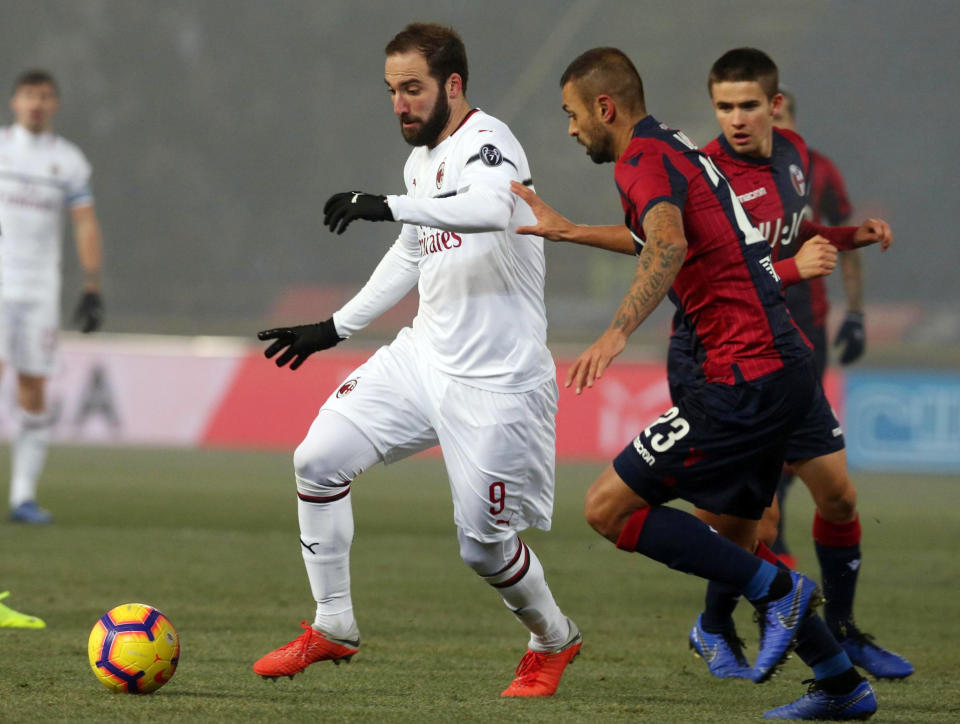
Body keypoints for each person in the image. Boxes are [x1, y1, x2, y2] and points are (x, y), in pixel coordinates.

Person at [513, 46, 878, 720]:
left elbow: (670, 242)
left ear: (605, 106)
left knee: (607, 509)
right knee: (737, 533)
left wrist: (619, 330)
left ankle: (777, 592)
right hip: (784, 367)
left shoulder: (638, 161)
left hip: (743, 376)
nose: (570, 130)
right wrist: (568, 232)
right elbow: (665, 233)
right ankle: (839, 681)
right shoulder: (675, 148)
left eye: (571, 115)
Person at [251, 23, 580, 698]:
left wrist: (384, 205)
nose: (400, 103)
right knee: (316, 460)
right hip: (421, 357)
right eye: (391, 90)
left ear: (452, 86)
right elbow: (411, 249)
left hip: (495, 383)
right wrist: (333, 327)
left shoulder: (491, 144)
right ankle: (333, 624)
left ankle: (554, 637)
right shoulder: (419, 160)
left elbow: (491, 209)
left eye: (413, 89)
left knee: (482, 547)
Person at [686, 48, 911, 682]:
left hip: (789, 352)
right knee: (756, 518)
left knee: (839, 497)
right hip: (733, 358)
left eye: (748, 105)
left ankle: (842, 628)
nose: (735, 118)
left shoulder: (795, 154)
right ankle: (714, 623)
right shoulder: (708, 177)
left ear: (774, 105)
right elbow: (712, 276)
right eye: (724, 106)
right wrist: (791, 270)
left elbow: (793, 226)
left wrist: (847, 237)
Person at [0, 70, 104, 525]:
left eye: (45, 97)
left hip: (40, 289)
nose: (36, 104)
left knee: (33, 388)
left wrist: (92, 283)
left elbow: (84, 221)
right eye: (28, 96)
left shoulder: (69, 160)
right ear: (14, 103)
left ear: (55, 104)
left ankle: (23, 496)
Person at [766, 88, 863, 567]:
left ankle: (772, 541)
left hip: (810, 319)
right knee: (764, 437)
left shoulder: (819, 170)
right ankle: (770, 541)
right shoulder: (732, 171)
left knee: (797, 436)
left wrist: (857, 313)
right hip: (756, 317)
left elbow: (843, 237)